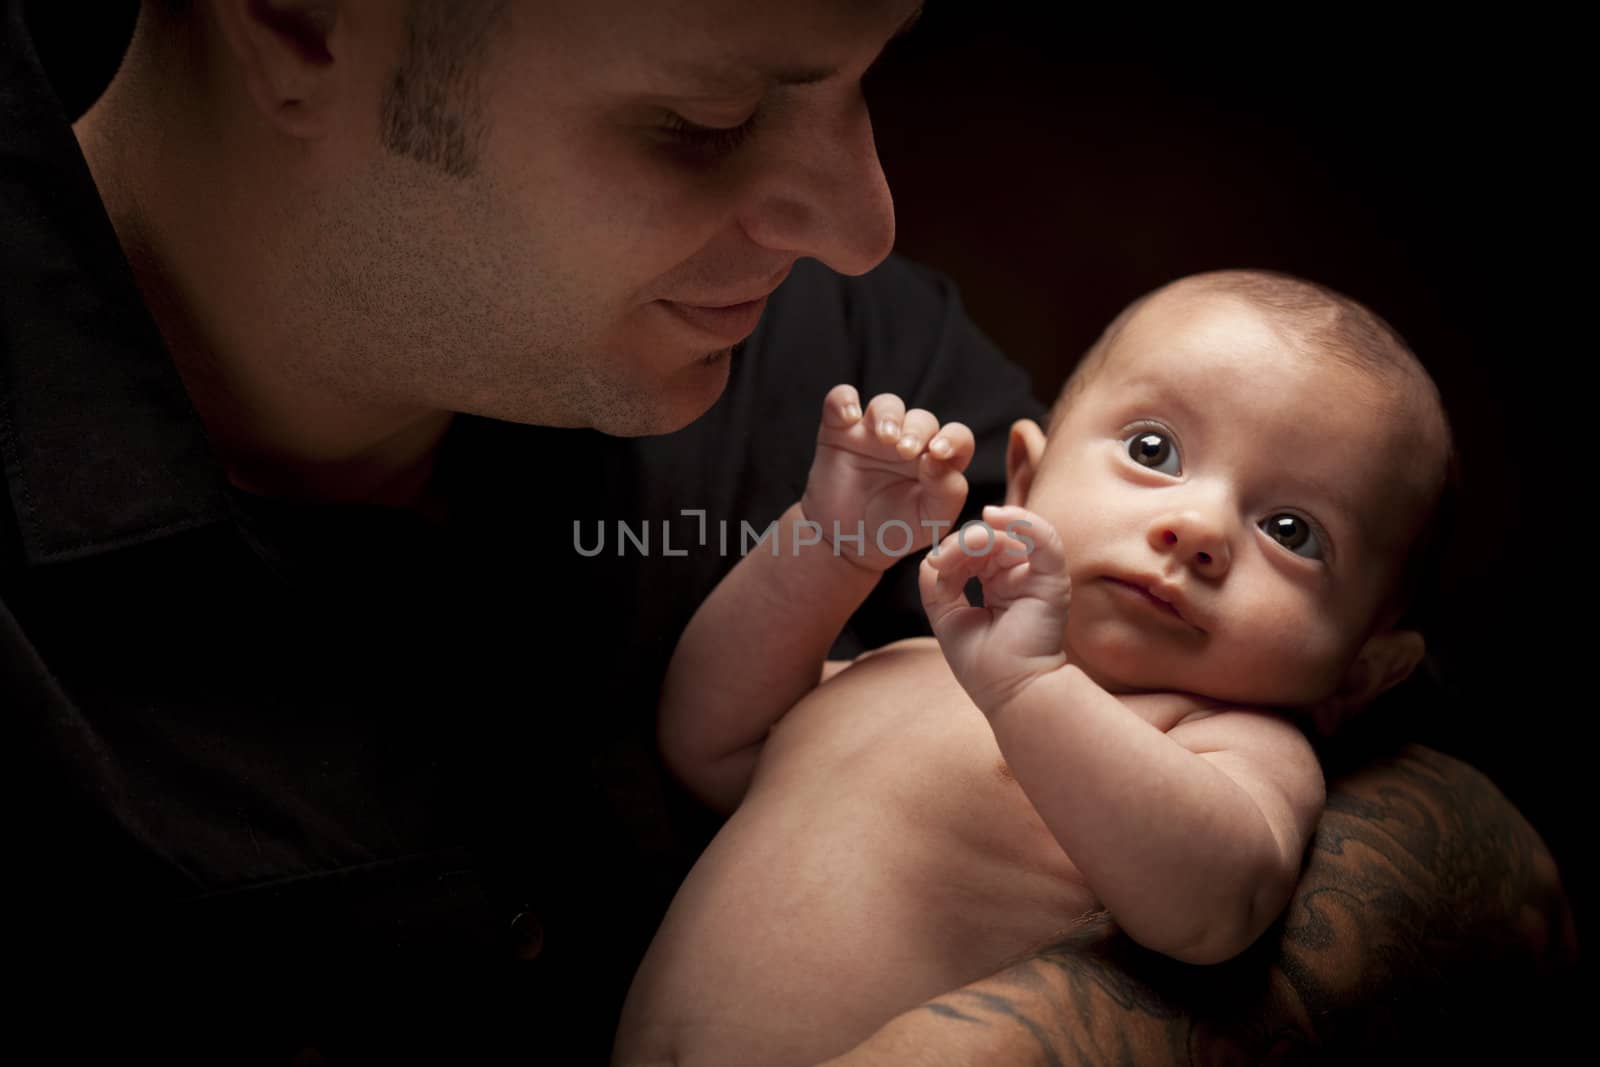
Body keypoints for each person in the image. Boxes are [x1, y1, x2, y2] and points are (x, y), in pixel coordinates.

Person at [0, 0, 1572, 1062]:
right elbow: (728, 727)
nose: (863, 223)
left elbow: (1477, 859)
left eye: (861, 78)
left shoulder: (823, 354)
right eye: (705, 116)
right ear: (293, 17)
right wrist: (832, 547)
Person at [613, 269, 1454, 1065]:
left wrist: (1031, 689)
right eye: (1154, 449)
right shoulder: (910, 666)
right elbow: (711, 742)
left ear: (1362, 671)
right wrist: (830, 543)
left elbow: (1212, 906)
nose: (1198, 526)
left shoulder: (1224, 743)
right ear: (1023, 477)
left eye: (1293, 531)